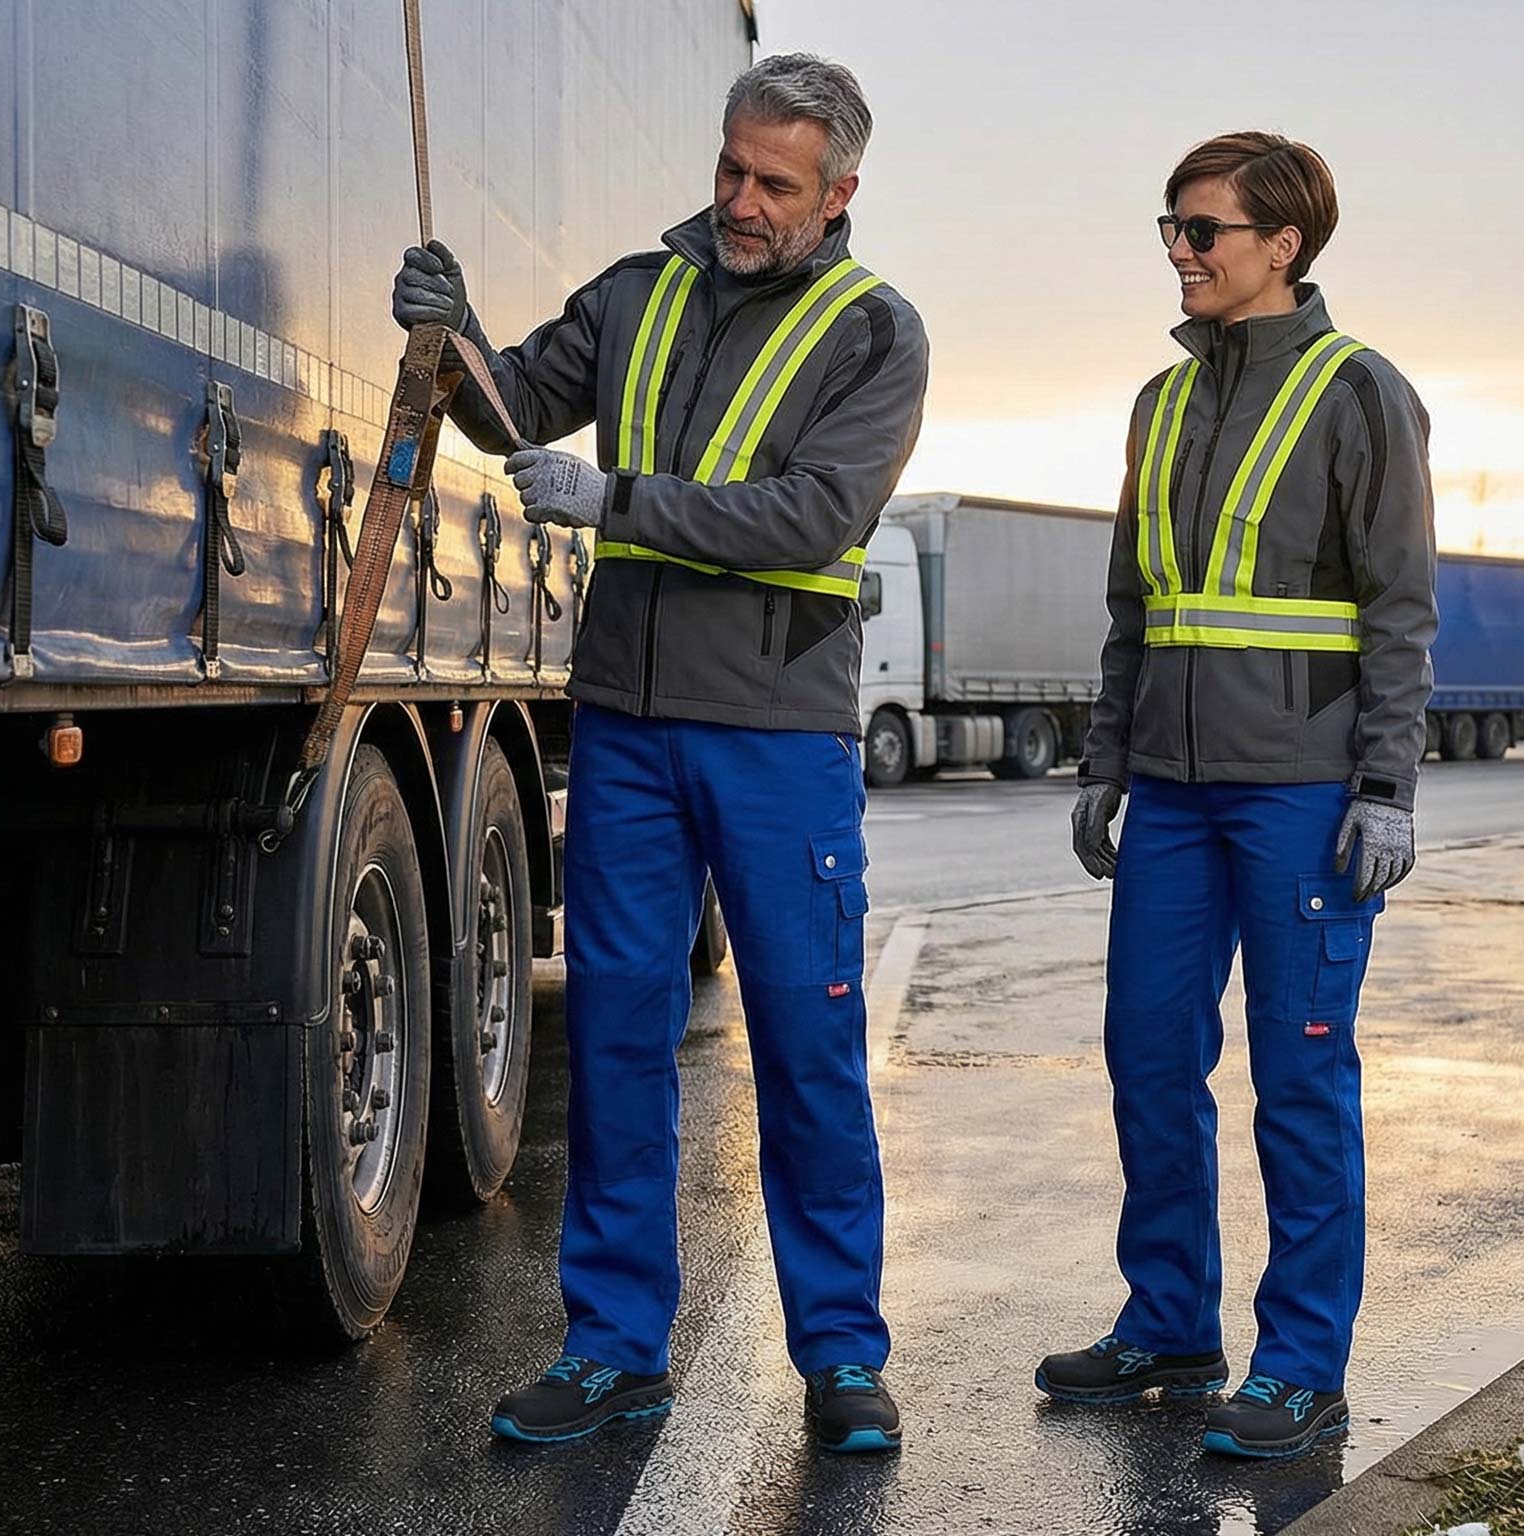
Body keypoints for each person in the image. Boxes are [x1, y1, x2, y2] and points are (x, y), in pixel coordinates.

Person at [392, 53, 928, 1453]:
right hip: (627, 731)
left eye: (775, 185)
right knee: (618, 1040)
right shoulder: (638, 292)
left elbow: (810, 515)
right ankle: (613, 1348)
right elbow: (513, 407)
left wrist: (615, 499)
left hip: (777, 740)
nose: (742, 201)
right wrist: (452, 338)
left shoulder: (877, 334)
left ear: (839, 193)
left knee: (807, 1047)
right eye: (731, 170)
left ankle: (841, 1356)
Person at [1037, 131, 1436, 1461]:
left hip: (1300, 798)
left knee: (1300, 1077)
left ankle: (1301, 1365)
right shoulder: (1159, 404)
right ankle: (1167, 1325)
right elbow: (1135, 609)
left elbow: (1398, 610)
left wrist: (1386, 785)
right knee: (1149, 1056)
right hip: (1170, 793)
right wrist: (1106, 761)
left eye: (1203, 229)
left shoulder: (1358, 391)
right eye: (1170, 226)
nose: (1181, 250)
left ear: (1283, 244)